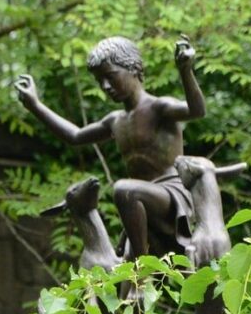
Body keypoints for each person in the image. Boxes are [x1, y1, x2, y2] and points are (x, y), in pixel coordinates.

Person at [15, 36, 206, 261]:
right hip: (137, 203)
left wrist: (185, 71)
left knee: (123, 189)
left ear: (134, 69)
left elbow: (196, 111)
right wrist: (35, 106)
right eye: (100, 81)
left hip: (171, 196)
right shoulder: (115, 121)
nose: (105, 87)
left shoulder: (158, 107)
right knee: (120, 272)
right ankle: (135, 270)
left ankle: (140, 270)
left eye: (111, 77)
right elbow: (75, 136)